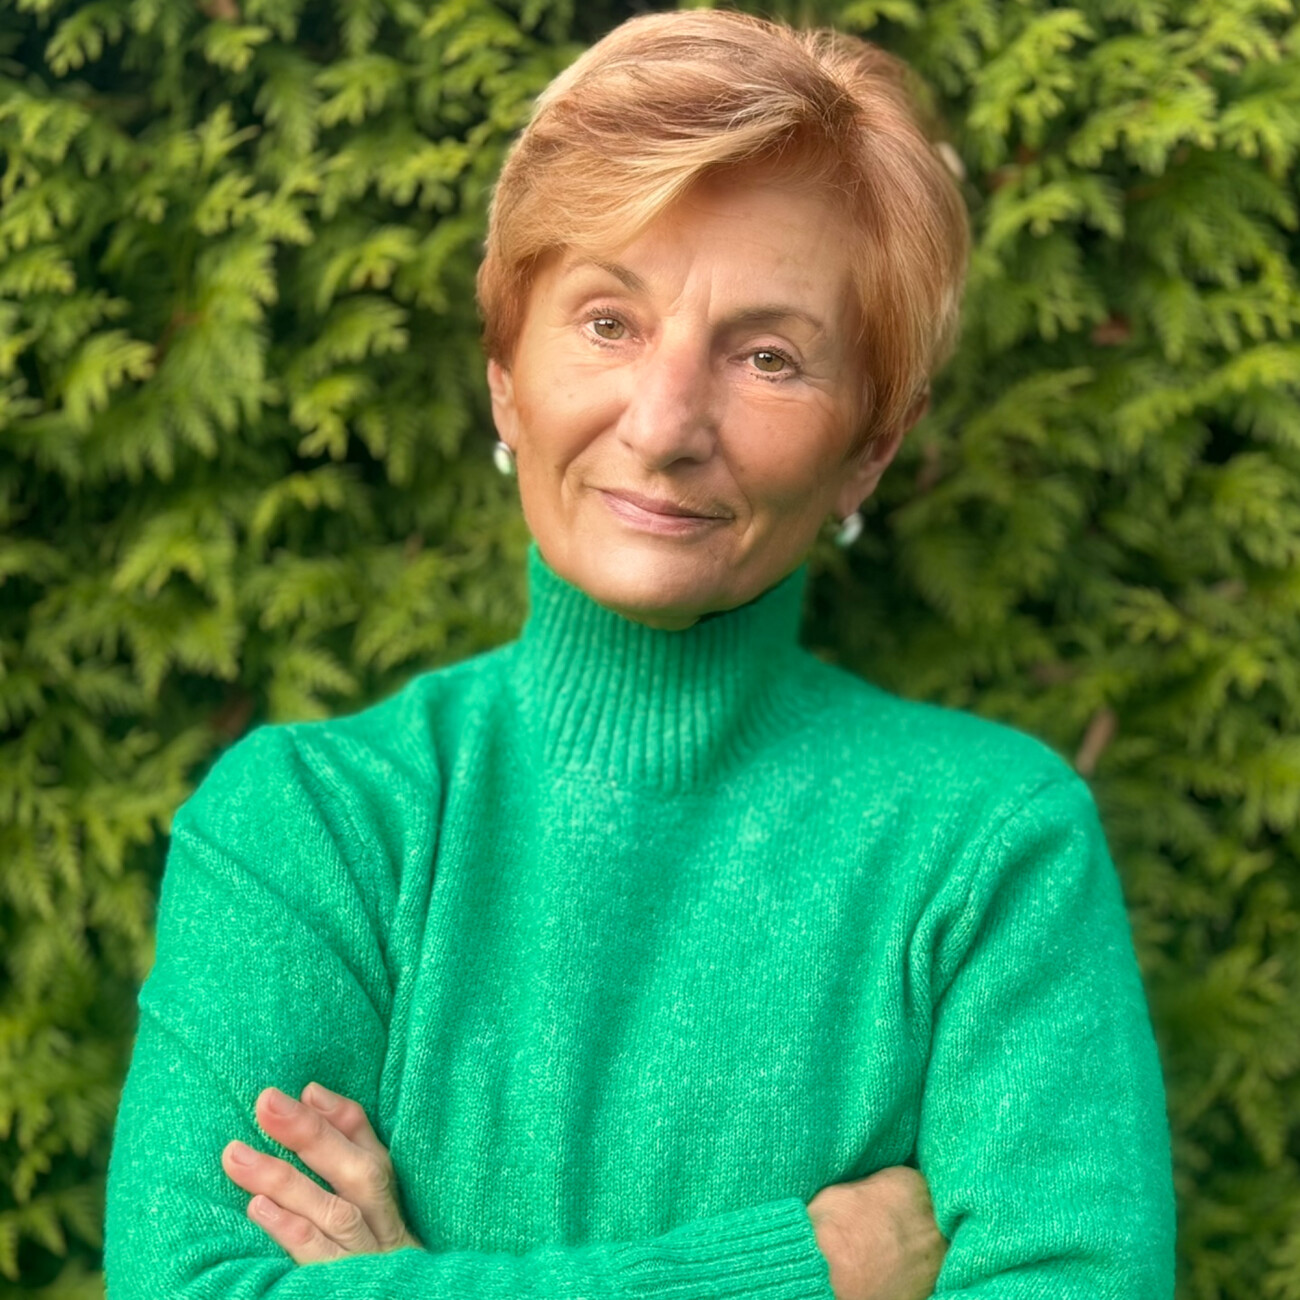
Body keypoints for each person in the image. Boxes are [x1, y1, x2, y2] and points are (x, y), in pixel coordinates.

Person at [103, 10, 1177, 1299]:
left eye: (769, 357)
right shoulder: (311, 827)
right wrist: (810, 1268)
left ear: (870, 448)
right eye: (608, 322)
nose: (666, 425)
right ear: (505, 375)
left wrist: (417, 1283)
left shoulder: (992, 847)